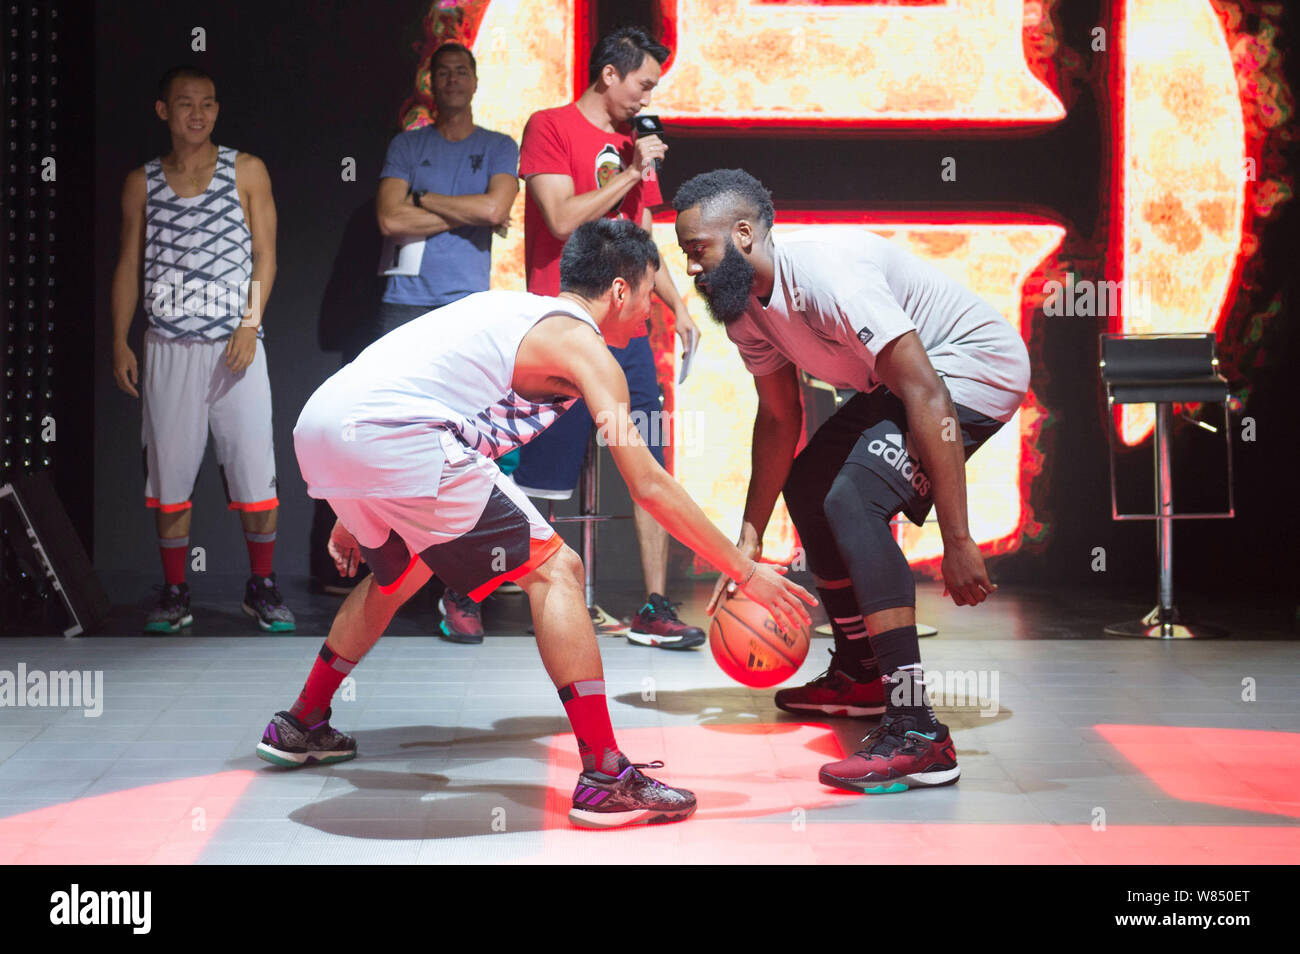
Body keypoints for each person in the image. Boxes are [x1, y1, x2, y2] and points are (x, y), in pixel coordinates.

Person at [258, 219, 815, 828]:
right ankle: (606, 776)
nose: (651, 318)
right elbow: (648, 483)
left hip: (326, 429)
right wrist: (744, 569)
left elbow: (402, 377)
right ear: (621, 291)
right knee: (558, 570)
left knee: (401, 575)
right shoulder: (584, 346)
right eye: (652, 297)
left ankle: (302, 721)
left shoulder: (506, 309)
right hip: (394, 438)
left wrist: (354, 501)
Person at [673, 169, 1030, 793]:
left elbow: (928, 394)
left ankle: (919, 730)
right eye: (685, 255)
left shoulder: (829, 276)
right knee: (809, 486)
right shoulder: (744, 314)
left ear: (744, 234)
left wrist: (959, 539)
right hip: (906, 385)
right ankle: (864, 670)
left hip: (972, 368)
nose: (691, 269)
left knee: (852, 497)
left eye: (697, 250)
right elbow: (781, 418)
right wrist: (749, 538)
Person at [511, 26, 705, 649]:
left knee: (648, 458)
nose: (648, 97)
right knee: (542, 471)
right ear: (609, 76)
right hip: (563, 331)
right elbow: (562, 217)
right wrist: (631, 173)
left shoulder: (632, 144)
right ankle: (533, 588)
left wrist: (680, 308)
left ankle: (654, 604)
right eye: (644, 83)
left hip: (630, 335)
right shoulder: (551, 126)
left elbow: (645, 243)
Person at [333, 40, 519, 645]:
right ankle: (390, 580)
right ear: (430, 83)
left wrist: (427, 200)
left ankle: (464, 593)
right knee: (394, 442)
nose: (453, 79)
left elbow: (497, 207)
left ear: (474, 79)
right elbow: (390, 219)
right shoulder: (407, 145)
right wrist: (471, 212)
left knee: (476, 445)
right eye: (443, 72)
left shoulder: (498, 145)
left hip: (468, 312)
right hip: (404, 307)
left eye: (462, 70)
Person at [110, 65, 292, 633]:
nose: (199, 113)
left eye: (208, 104)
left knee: (255, 470)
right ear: (162, 110)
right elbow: (129, 266)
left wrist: (248, 322)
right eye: (185, 103)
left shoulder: (246, 170)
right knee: (169, 479)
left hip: (235, 348)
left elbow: (266, 255)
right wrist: (119, 339)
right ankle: (174, 592)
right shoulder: (142, 181)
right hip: (169, 348)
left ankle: (261, 586)